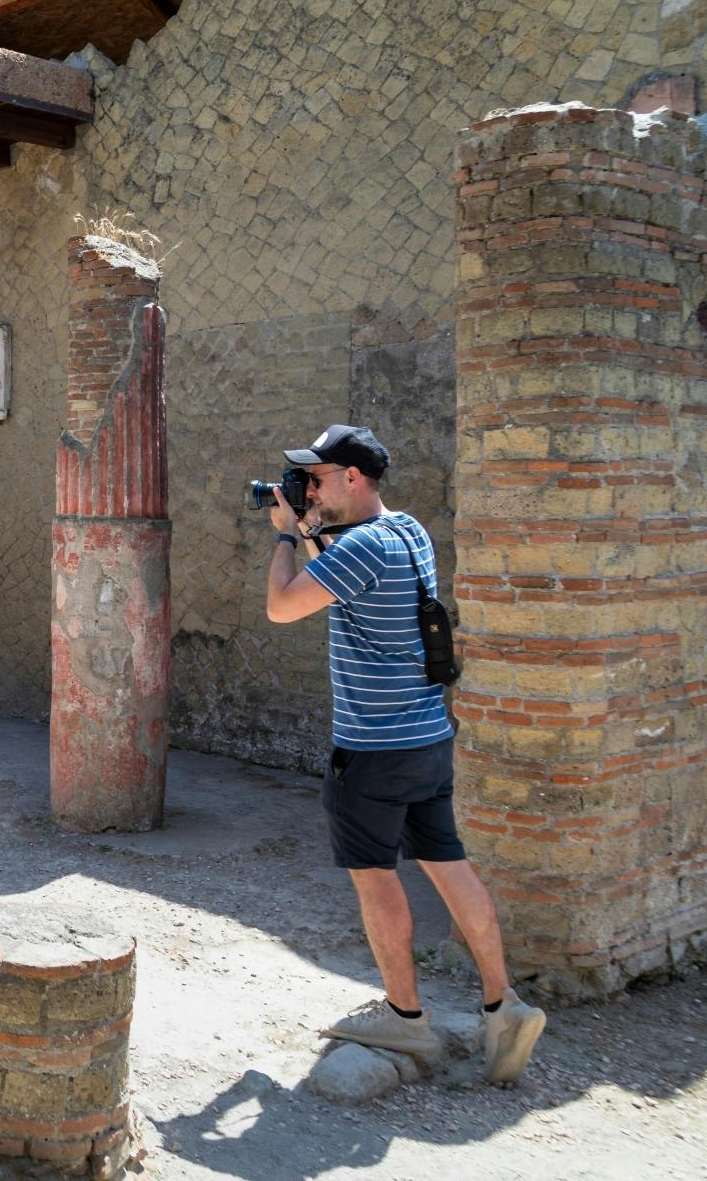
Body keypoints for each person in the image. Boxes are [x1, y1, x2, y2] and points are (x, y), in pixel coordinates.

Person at [263, 424, 545, 1085]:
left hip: (372, 750)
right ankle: (503, 1007)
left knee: (376, 876)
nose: (309, 489)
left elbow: (281, 607)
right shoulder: (407, 532)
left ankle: (405, 1018)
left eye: (318, 479)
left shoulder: (356, 549)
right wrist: (310, 529)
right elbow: (348, 572)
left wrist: (283, 536)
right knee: (449, 866)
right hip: (426, 740)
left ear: (352, 479)